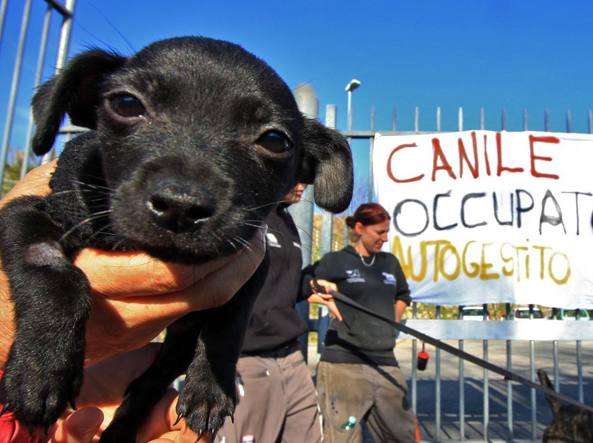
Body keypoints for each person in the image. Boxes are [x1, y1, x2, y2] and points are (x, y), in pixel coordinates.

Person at [0, 161, 266, 442]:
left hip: (84, 402)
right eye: (129, 112)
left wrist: (216, 363)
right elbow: (27, 220)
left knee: (169, 365)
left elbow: (251, 269)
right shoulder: (86, 180)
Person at [215, 183, 322, 443]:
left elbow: (280, 285)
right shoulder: (239, 212)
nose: (303, 186)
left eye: (307, 180)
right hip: (247, 359)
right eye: (297, 177)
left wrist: (308, 286)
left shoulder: (287, 220)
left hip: (291, 357)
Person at [306, 203, 417, 443]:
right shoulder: (336, 260)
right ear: (359, 228)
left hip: (385, 362)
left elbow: (403, 295)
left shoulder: (390, 263)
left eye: (387, 232)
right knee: (344, 437)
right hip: (344, 364)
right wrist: (327, 301)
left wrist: (391, 322)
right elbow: (305, 285)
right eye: (379, 232)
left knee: (402, 435)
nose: (385, 238)